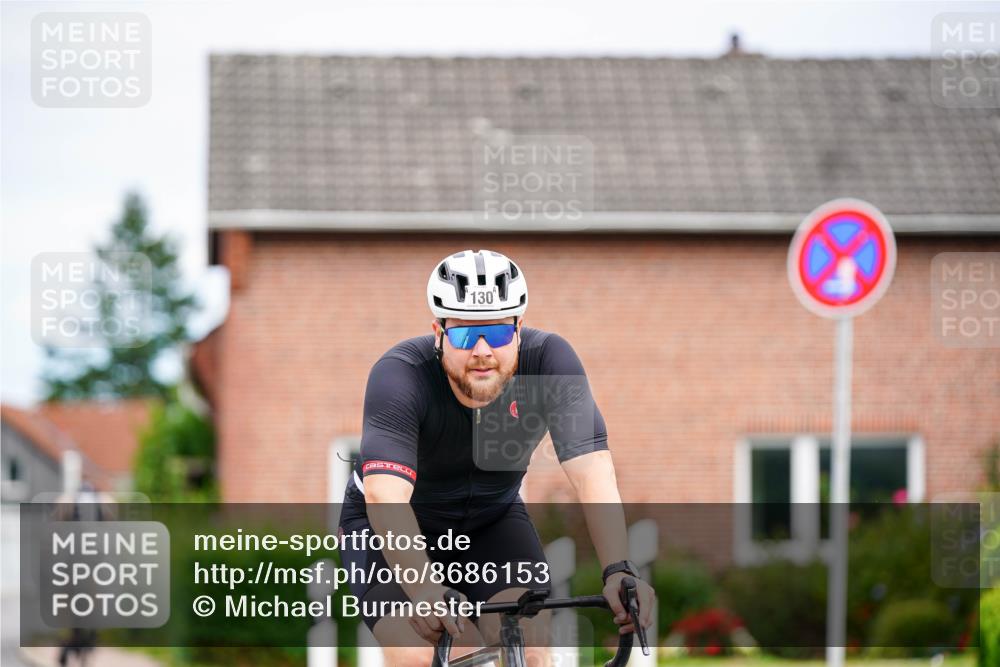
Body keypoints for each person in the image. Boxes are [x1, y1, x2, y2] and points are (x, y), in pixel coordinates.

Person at [339, 249, 655, 666]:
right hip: (390, 530)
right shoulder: (401, 375)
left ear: (519, 329)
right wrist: (422, 587)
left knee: (532, 646)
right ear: (438, 332)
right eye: (466, 335)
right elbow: (386, 496)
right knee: (438, 652)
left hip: (491, 520)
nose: (483, 350)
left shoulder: (549, 363)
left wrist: (619, 568)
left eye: (499, 334)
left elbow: (592, 472)